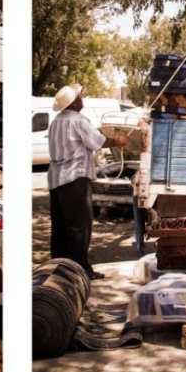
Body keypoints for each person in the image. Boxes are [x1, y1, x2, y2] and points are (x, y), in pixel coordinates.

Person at [47, 84, 128, 280]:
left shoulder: (56, 121)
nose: (82, 99)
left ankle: (59, 268)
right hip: (75, 178)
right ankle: (80, 270)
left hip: (56, 179)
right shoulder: (78, 120)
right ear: (74, 103)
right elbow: (98, 142)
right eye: (80, 97)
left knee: (60, 226)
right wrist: (117, 140)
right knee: (79, 227)